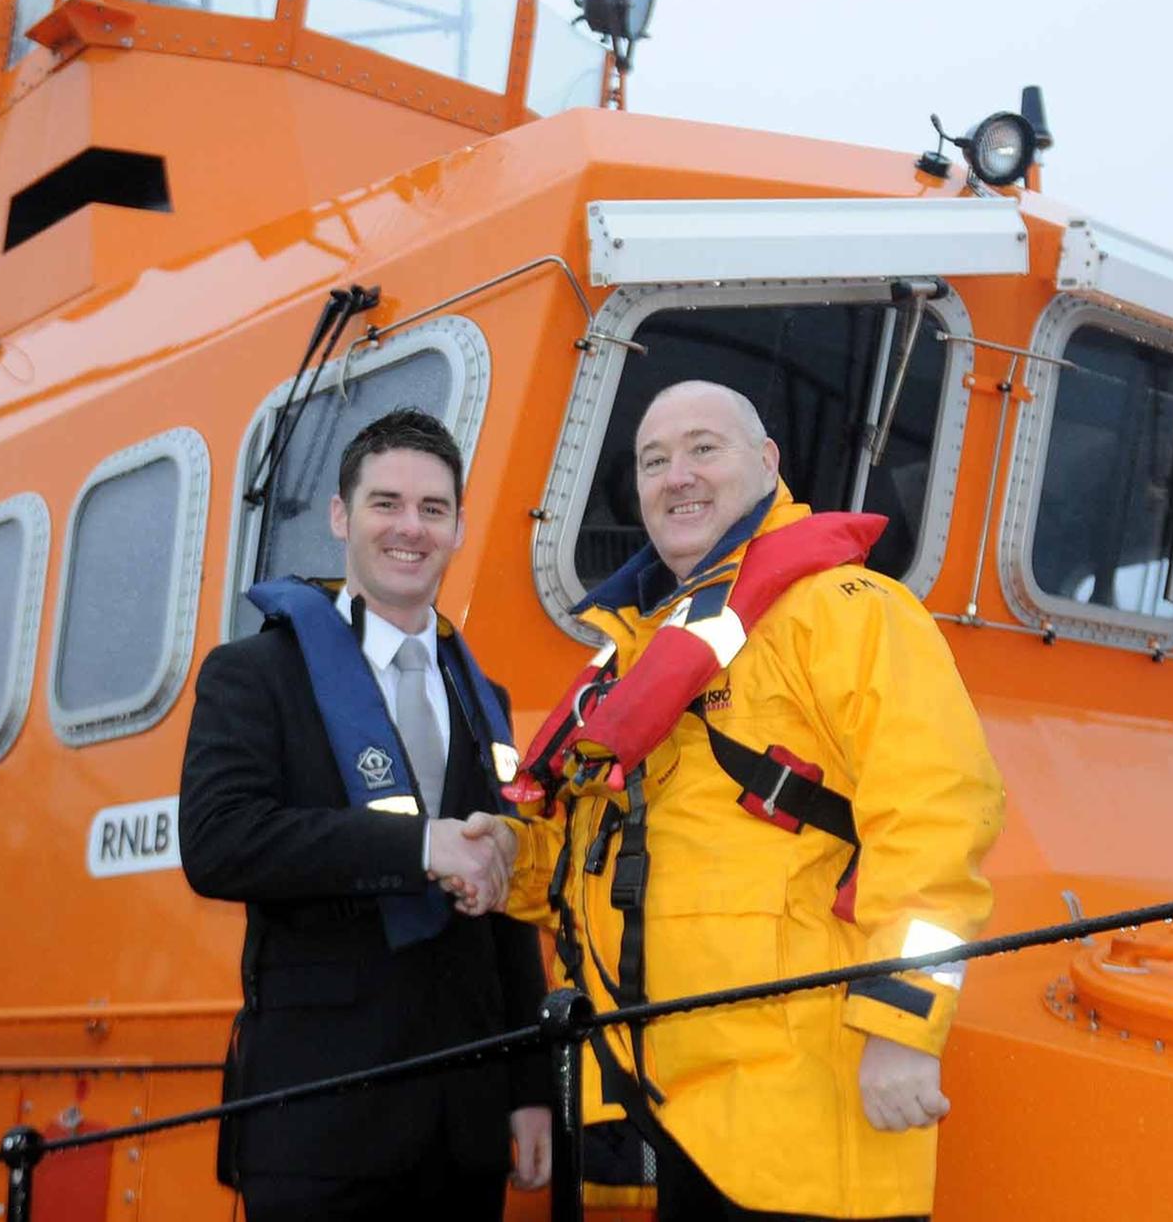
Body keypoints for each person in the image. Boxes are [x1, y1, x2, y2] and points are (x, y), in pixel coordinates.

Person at [467, 380, 1006, 1221]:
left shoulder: (845, 613)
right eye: (653, 461)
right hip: (686, 1123)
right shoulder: (635, 660)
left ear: (767, 463)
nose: (676, 475)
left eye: (703, 449)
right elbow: (600, 865)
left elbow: (938, 823)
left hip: (804, 1124)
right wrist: (507, 859)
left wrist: (904, 1024)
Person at [179, 408, 551, 1221]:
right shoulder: (253, 675)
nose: (409, 528)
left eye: (433, 509)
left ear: (457, 528)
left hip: (464, 1127)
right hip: (319, 1124)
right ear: (342, 517)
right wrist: (420, 845)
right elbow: (217, 844)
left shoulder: (485, 697)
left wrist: (530, 1087)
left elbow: (507, 904)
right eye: (386, 503)